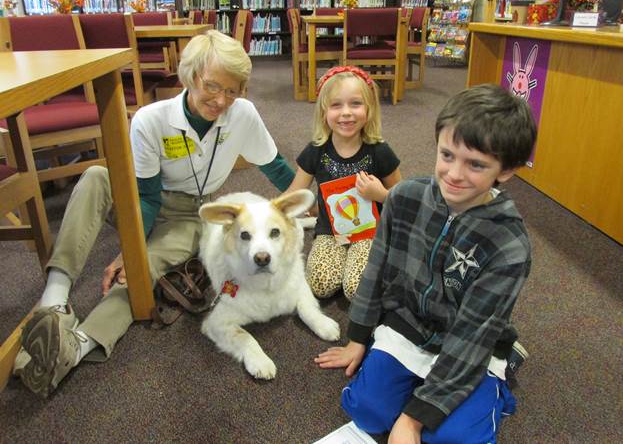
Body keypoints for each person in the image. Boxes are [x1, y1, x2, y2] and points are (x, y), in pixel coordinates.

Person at [13, 30, 295, 398]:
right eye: (212, 86)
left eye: (232, 90)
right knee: (97, 177)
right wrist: (126, 250)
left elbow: (276, 167)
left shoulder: (243, 115)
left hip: (193, 212)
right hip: (147, 198)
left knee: (141, 269)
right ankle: (54, 298)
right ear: (190, 76)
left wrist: (315, 204)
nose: (222, 100)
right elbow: (145, 198)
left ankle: (76, 346)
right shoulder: (149, 119)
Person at [315, 84, 537, 443]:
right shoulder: (404, 197)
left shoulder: (509, 245)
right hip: (408, 324)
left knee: (450, 438)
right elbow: (377, 269)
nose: (454, 174)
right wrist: (357, 338)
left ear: (506, 170)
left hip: (469, 344)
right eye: (447, 155)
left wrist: (414, 419)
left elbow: (471, 336)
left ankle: (503, 377)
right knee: (367, 411)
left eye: (476, 164)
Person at [286, 66, 401, 301]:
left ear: (369, 110)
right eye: (336, 105)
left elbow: (402, 197)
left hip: (370, 233)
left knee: (357, 291)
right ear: (323, 112)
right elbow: (294, 194)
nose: (346, 113)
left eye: (355, 104)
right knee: (319, 284)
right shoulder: (316, 150)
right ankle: (349, 262)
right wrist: (271, 212)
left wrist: (379, 194)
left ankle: (378, 263)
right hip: (330, 232)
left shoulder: (379, 151)